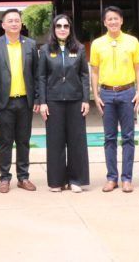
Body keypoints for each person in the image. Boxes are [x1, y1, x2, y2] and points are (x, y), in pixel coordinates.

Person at [90, 5, 139, 192]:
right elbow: (94, 71)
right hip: (106, 93)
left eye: (116, 18)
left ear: (121, 21)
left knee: (128, 137)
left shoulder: (132, 41)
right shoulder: (97, 44)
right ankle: (111, 178)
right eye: (109, 19)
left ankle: (127, 178)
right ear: (105, 22)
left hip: (127, 92)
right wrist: (95, 95)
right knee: (109, 137)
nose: (113, 21)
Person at [37, 14, 90, 192]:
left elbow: (84, 75)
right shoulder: (45, 49)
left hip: (76, 101)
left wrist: (85, 99)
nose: (62, 29)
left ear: (70, 29)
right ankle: (56, 181)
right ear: (54, 29)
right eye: (58, 26)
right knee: (55, 142)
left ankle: (76, 180)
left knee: (77, 141)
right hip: (53, 101)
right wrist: (43, 102)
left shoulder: (79, 48)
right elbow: (41, 77)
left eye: (65, 26)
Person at [0, 8, 39, 192]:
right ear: (3, 25)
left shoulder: (30, 44)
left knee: (24, 140)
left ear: (21, 23)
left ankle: (23, 177)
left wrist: (37, 98)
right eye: (10, 21)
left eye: (17, 20)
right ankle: (4, 178)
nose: (14, 23)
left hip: (25, 101)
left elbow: (36, 74)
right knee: (5, 141)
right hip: (4, 102)